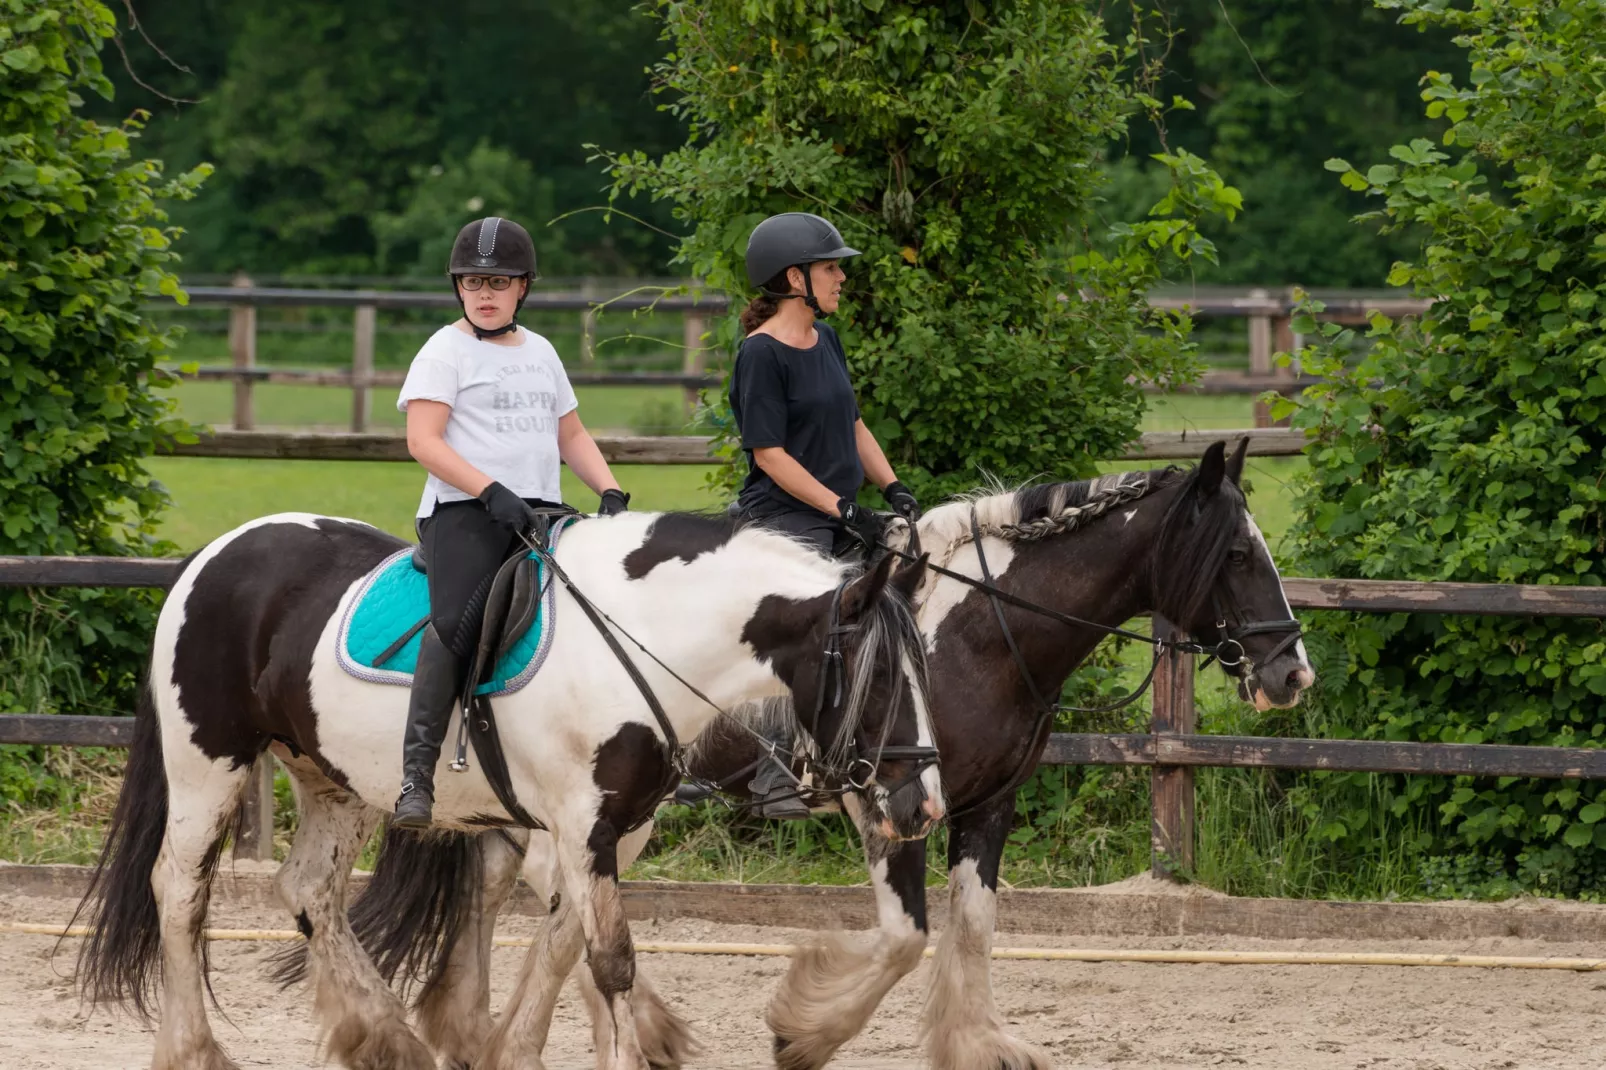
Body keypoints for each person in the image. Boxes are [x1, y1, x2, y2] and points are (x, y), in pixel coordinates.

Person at [391, 216, 630, 828]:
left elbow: (569, 432)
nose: (485, 294)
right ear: (458, 288)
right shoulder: (444, 351)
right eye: (473, 282)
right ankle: (416, 775)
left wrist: (608, 490)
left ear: (523, 287)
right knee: (454, 622)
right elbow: (423, 439)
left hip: (538, 512)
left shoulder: (542, 352)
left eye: (499, 282)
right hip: (465, 511)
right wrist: (489, 489)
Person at [728, 211, 921, 815]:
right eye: (832, 267)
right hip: (784, 520)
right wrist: (845, 509)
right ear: (795, 278)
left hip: (839, 517)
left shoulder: (827, 341)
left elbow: (853, 424)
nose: (842, 278)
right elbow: (770, 455)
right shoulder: (760, 355)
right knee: (805, 628)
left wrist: (892, 489)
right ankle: (772, 774)